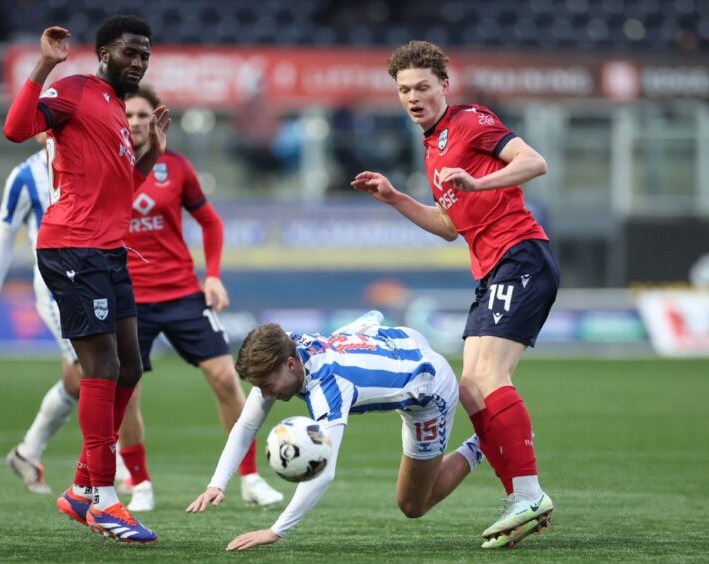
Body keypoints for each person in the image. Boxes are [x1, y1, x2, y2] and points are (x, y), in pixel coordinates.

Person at [350, 40, 558, 549]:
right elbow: (448, 225)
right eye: (404, 90)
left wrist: (481, 184)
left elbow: (534, 162)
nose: (413, 97)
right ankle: (518, 496)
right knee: (470, 387)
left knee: (488, 376)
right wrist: (395, 197)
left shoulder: (468, 122)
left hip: (521, 255)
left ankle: (528, 491)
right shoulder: (433, 144)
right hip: (493, 268)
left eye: (423, 87)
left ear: (444, 86)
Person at [3, 16, 170, 544]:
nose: (138, 62)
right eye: (129, 52)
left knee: (130, 367)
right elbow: (14, 129)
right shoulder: (73, 90)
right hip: (72, 246)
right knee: (99, 366)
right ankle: (104, 499)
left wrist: (152, 157)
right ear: (103, 53)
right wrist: (46, 63)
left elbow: (120, 190)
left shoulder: (119, 112)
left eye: (144, 55)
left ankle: (80, 488)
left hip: (108, 250)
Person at [113, 85, 283, 512]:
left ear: (156, 120)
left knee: (227, 379)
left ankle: (248, 478)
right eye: (128, 115)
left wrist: (213, 277)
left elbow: (210, 223)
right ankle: (140, 482)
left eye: (142, 115)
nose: (135, 122)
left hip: (184, 294)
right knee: (127, 390)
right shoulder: (108, 167)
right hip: (129, 298)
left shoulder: (176, 167)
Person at [186, 311, 483, 551]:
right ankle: (367, 324)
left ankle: (482, 442)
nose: (263, 394)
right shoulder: (286, 345)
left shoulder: (328, 389)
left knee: (413, 505)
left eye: (266, 385)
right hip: (394, 339)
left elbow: (323, 471)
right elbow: (247, 425)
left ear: (290, 365)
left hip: (429, 386)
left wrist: (275, 531)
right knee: (345, 341)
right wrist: (217, 483)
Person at [0, 134, 80, 494]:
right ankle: (110, 466)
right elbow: (5, 235)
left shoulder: (91, 161)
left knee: (80, 377)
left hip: (93, 283)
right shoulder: (26, 176)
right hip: (55, 290)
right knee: (95, 370)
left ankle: (27, 452)